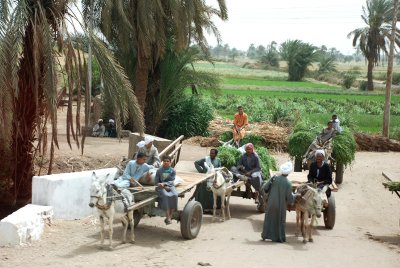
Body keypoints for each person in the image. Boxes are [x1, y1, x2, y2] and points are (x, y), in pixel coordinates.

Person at [261, 161, 296, 243]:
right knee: (280, 221)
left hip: (270, 203)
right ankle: (279, 237)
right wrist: (294, 196)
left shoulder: (274, 178)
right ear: (289, 172)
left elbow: (265, 188)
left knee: (269, 219)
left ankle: (265, 235)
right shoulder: (288, 183)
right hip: (281, 205)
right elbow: (290, 198)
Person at [194, 149, 222, 213]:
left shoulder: (218, 160)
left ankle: (212, 209)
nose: (211, 154)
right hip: (205, 179)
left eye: (213, 153)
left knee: (214, 193)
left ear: (216, 154)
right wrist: (201, 171)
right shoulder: (205, 159)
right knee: (203, 193)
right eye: (210, 153)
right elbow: (196, 163)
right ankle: (202, 208)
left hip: (213, 179)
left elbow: (219, 168)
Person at [155, 156, 178, 225]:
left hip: (170, 186)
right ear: (162, 162)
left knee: (175, 195)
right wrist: (160, 184)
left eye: (168, 161)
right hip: (160, 187)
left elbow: (172, 181)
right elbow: (156, 182)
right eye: (164, 161)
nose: (166, 162)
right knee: (165, 196)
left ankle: (170, 216)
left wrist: (164, 184)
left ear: (170, 163)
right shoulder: (159, 170)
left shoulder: (173, 171)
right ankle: (168, 216)